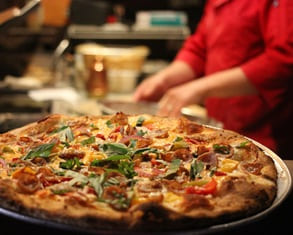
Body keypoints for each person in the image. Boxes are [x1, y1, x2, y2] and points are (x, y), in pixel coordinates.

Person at [133, 0, 293, 159]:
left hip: (266, 136)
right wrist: (164, 79)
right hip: (219, 131)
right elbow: (199, 49)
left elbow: (283, 60)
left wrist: (199, 89)